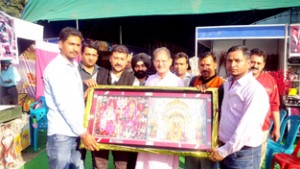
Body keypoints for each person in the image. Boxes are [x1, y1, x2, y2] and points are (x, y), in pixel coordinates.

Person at [43, 27, 98, 169]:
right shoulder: (56, 68)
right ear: (60, 44)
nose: (75, 48)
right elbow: (64, 105)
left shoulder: (73, 65)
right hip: (61, 134)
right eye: (71, 44)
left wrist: (85, 96)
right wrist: (83, 133)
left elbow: (71, 97)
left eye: (78, 45)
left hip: (75, 131)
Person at [209, 45, 269, 169]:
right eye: (229, 61)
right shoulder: (227, 84)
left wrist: (224, 151)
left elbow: (247, 128)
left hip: (243, 154)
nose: (232, 64)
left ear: (248, 63)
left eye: (237, 60)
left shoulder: (254, 90)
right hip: (226, 148)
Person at [86, 44, 139, 169]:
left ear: (127, 61)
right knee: (99, 165)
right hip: (100, 130)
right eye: (116, 58)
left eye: (122, 59)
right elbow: (90, 100)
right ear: (110, 58)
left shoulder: (133, 81)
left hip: (122, 132)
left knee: (121, 165)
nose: (118, 62)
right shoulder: (97, 75)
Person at [135, 47, 184, 169]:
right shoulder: (150, 80)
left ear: (170, 61)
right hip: (151, 127)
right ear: (153, 62)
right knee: (147, 162)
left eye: (164, 60)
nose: (160, 64)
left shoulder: (177, 82)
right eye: (157, 61)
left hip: (168, 129)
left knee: (164, 163)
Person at [185, 51, 224, 169]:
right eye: (202, 65)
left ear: (215, 65)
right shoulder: (193, 81)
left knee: (207, 165)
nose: (205, 68)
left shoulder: (221, 84)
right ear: (198, 66)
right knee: (191, 164)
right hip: (193, 133)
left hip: (211, 135)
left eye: (208, 65)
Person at [250, 48, 280, 167]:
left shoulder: (270, 81)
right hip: (240, 128)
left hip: (262, 129)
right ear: (248, 61)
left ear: (263, 65)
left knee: (257, 162)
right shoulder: (240, 79)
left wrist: (277, 128)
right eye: (252, 62)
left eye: (259, 63)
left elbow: (274, 105)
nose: (255, 65)